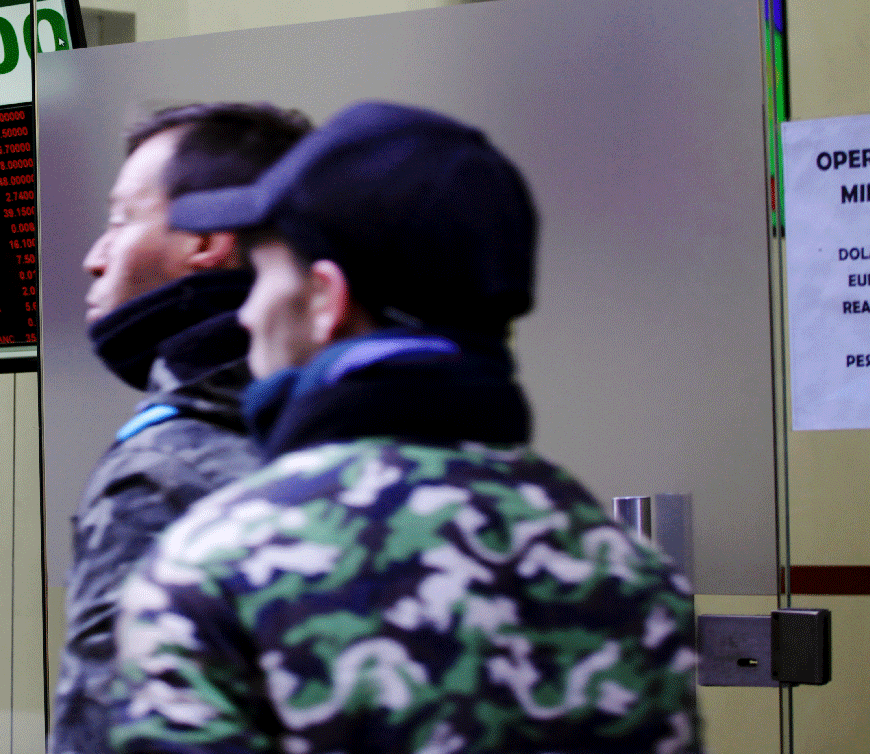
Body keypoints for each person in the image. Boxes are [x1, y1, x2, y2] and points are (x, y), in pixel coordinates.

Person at [110, 101, 701, 754]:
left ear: (325, 300)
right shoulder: (629, 575)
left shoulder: (216, 569)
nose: (248, 315)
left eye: (266, 277)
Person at [50, 102, 312, 754]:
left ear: (205, 240)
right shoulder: (360, 445)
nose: (95, 258)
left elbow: (109, 735)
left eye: (121, 219)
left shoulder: (163, 471)